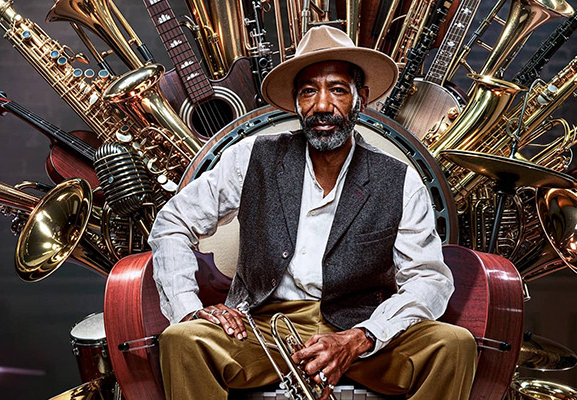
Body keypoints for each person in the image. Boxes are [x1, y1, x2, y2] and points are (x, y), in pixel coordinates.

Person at [149, 26, 475, 400]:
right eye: (308, 91)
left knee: (453, 345)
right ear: (296, 101)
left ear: (361, 98)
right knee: (182, 339)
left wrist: (361, 337)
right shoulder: (252, 156)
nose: (322, 106)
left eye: (337, 89)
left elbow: (429, 280)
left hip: (360, 331)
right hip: (260, 331)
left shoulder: (399, 180)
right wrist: (190, 310)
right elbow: (172, 223)